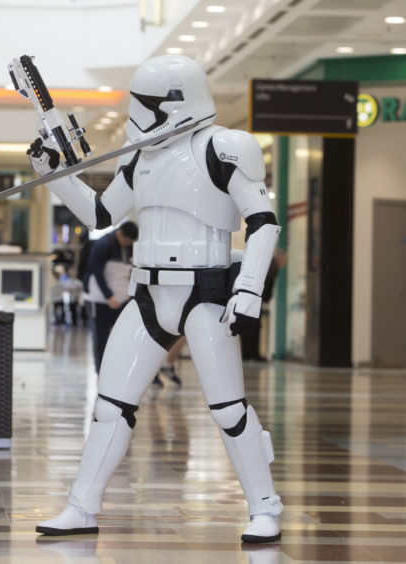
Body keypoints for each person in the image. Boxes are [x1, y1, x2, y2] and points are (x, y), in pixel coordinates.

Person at [27, 55, 282, 543]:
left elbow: (262, 222)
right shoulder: (139, 154)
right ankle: (82, 506)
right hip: (147, 292)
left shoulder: (226, 147)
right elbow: (100, 212)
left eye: (144, 102)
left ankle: (264, 506)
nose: (135, 113)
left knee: (229, 408)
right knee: (110, 403)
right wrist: (52, 175)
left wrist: (249, 288)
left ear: (173, 103)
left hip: (207, 291)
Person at [82, 222, 137, 373]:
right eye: (126, 240)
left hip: (121, 299)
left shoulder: (129, 247)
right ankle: (100, 372)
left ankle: (117, 370)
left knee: (121, 336)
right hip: (99, 300)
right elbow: (96, 271)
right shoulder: (103, 245)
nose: (127, 244)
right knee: (100, 337)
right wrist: (109, 296)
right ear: (119, 233)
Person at [241, 249, 287, 361]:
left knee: (248, 327)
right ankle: (253, 354)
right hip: (256, 301)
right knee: (253, 328)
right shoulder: (272, 268)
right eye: (285, 259)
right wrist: (266, 299)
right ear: (279, 259)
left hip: (251, 300)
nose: (285, 262)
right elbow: (267, 287)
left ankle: (247, 354)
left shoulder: (268, 265)